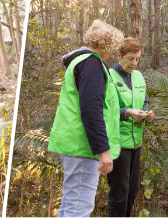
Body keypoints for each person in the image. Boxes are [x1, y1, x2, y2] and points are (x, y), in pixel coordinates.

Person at [48, 19, 123, 217]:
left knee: (71, 205)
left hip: (75, 143)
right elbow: (91, 110)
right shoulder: (91, 64)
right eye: (111, 48)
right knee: (78, 209)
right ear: (104, 44)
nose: (110, 54)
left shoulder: (79, 61)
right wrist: (103, 150)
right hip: (83, 147)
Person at [106, 37, 154, 217]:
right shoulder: (108, 77)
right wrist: (126, 113)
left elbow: (144, 102)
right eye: (130, 58)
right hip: (117, 143)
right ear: (119, 55)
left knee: (132, 191)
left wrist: (146, 114)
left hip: (136, 143)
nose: (134, 63)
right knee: (119, 194)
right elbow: (104, 111)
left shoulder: (139, 76)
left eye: (137, 59)